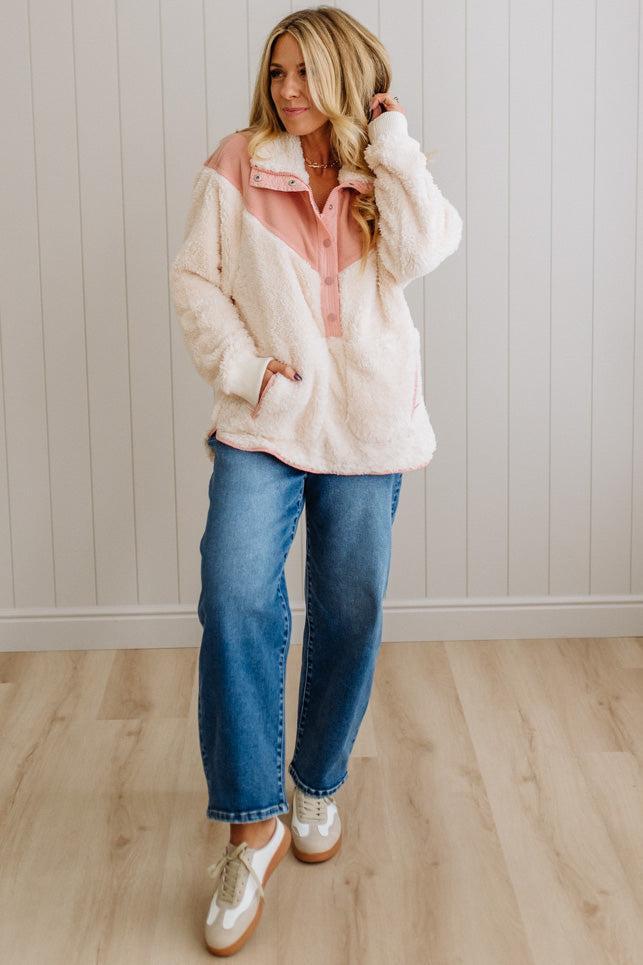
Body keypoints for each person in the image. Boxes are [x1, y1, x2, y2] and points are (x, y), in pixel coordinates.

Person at [170, 6, 462, 957]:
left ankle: (315, 785)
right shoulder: (238, 162)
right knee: (234, 595)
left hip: (367, 422)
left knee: (350, 605)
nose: (288, 89)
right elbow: (195, 280)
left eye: (304, 72)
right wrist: (250, 370)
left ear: (343, 77)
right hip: (266, 418)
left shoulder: (382, 168)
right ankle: (250, 825)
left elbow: (428, 247)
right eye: (277, 71)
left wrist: (392, 141)